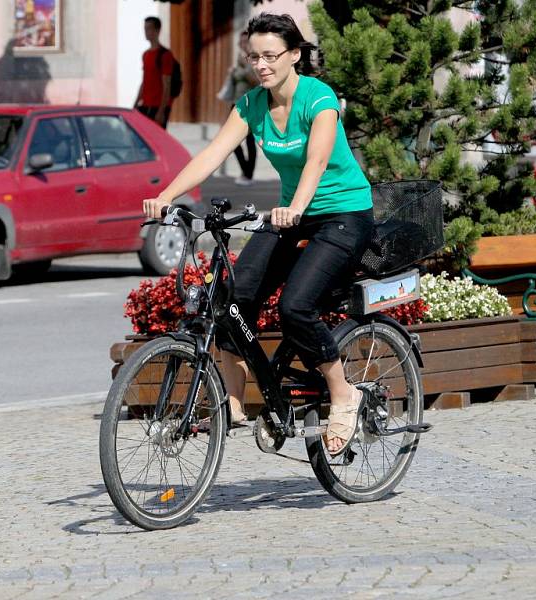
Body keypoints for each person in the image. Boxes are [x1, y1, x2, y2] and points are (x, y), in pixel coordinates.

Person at [143, 13, 374, 457]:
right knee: (229, 296)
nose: (261, 65)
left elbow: (317, 162)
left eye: (271, 56)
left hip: (343, 215)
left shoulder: (318, 98)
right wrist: (166, 196)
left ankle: (344, 395)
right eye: (254, 57)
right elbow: (212, 153)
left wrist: (298, 207)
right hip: (292, 214)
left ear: (294, 55)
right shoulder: (251, 104)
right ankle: (235, 401)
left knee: (295, 306)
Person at [229, 31, 260, 186]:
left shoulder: (254, 60)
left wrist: (244, 66)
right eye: (240, 42)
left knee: (249, 140)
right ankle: (246, 171)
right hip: (236, 101)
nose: (243, 45)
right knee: (232, 141)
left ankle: (248, 174)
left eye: (245, 42)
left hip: (250, 103)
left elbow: (256, 81)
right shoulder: (239, 58)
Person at [134, 16, 175, 129]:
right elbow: (145, 81)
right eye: (145, 29)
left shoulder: (165, 55)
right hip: (145, 104)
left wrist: (161, 110)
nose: (146, 32)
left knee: (156, 140)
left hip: (157, 106)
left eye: (149, 28)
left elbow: (167, 85)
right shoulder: (146, 54)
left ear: (157, 30)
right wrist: (136, 102)